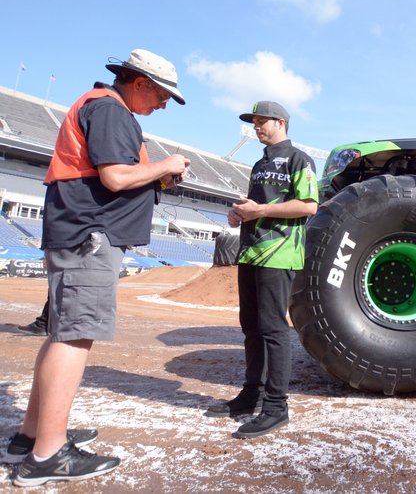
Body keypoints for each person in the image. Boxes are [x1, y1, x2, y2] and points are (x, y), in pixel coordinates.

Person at [7, 49, 190, 487]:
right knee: (74, 337)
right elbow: (114, 178)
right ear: (140, 82)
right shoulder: (110, 109)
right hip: (91, 236)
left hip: (82, 233)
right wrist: (165, 165)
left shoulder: (104, 107)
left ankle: (32, 436)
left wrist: (156, 176)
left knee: (62, 335)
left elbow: (118, 174)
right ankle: (46, 456)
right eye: (163, 95)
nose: (164, 104)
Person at [205, 101, 318, 439]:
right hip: (251, 252)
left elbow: (309, 205)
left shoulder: (299, 159)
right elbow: (259, 208)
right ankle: (250, 395)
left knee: (272, 328)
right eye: (253, 122)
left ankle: (276, 407)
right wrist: (240, 214)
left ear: (280, 122)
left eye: (261, 121)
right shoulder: (259, 164)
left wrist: (261, 210)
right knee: (251, 327)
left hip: (279, 254)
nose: (256, 126)